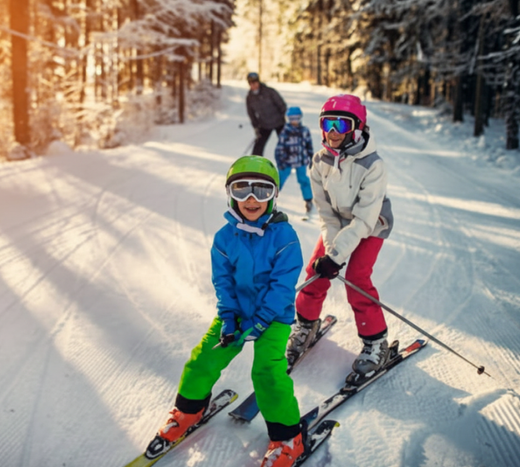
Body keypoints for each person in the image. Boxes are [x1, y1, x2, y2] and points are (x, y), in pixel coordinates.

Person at [144, 155, 306, 467]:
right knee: (204, 357)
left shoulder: (285, 237)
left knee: (267, 372)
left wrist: (262, 320)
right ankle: (188, 411)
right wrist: (229, 317)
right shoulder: (224, 237)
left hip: (273, 318)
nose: (251, 199)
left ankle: (288, 437)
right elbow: (224, 281)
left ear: (273, 196)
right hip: (237, 312)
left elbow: (283, 286)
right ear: (230, 194)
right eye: (242, 189)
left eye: (262, 190)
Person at [286, 94, 395, 386]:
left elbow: (364, 220)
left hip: (370, 225)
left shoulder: (373, 165)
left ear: (357, 128)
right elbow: (326, 214)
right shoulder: (319, 161)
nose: (333, 131)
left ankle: (376, 341)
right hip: (338, 223)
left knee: (357, 277)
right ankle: (306, 325)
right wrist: (331, 254)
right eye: (327, 124)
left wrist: (337, 257)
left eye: (341, 124)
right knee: (315, 271)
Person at [274, 106, 315, 216]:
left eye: (297, 118)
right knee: (279, 179)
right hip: (286, 161)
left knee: (303, 179)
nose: (294, 121)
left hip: (301, 160)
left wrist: (311, 158)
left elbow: (309, 145)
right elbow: (279, 148)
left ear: (300, 118)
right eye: (292, 119)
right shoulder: (285, 132)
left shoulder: (304, 131)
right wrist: (280, 162)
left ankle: (308, 200)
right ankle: (271, 198)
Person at [246, 72, 288, 157]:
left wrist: (286, 117)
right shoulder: (249, 97)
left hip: (279, 122)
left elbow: (281, 104)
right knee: (258, 146)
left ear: (258, 82)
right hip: (264, 124)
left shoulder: (269, 92)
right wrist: (256, 126)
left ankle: (291, 161)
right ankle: (255, 162)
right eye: (250, 83)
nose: (253, 84)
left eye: (254, 82)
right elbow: (251, 114)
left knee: (286, 143)